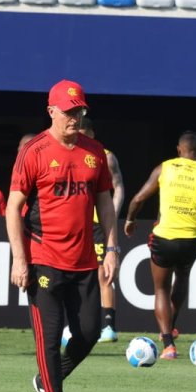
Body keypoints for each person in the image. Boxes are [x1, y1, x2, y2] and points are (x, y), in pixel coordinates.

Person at [7, 80, 119, 392]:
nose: (75, 116)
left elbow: (105, 203)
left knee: (89, 332)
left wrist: (113, 248)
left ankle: (46, 380)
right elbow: (13, 208)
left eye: (80, 110)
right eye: (69, 111)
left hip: (85, 260)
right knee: (50, 337)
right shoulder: (34, 151)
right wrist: (19, 259)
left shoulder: (94, 151)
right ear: (51, 111)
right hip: (43, 257)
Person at [123, 131, 196, 360]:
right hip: (191, 239)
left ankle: (168, 344)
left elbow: (138, 199)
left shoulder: (165, 168)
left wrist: (129, 220)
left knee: (161, 289)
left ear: (178, 149)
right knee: (182, 278)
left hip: (164, 237)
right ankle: (171, 327)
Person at [76, 118, 125, 342]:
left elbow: (118, 188)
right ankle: (80, 324)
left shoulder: (105, 156)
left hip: (97, 224)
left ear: (92, 133)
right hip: (76, 223)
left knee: (102, 273)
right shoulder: (70, 153)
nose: (82, 137)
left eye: (85, 133)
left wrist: (111, 218)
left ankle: (108, 326)